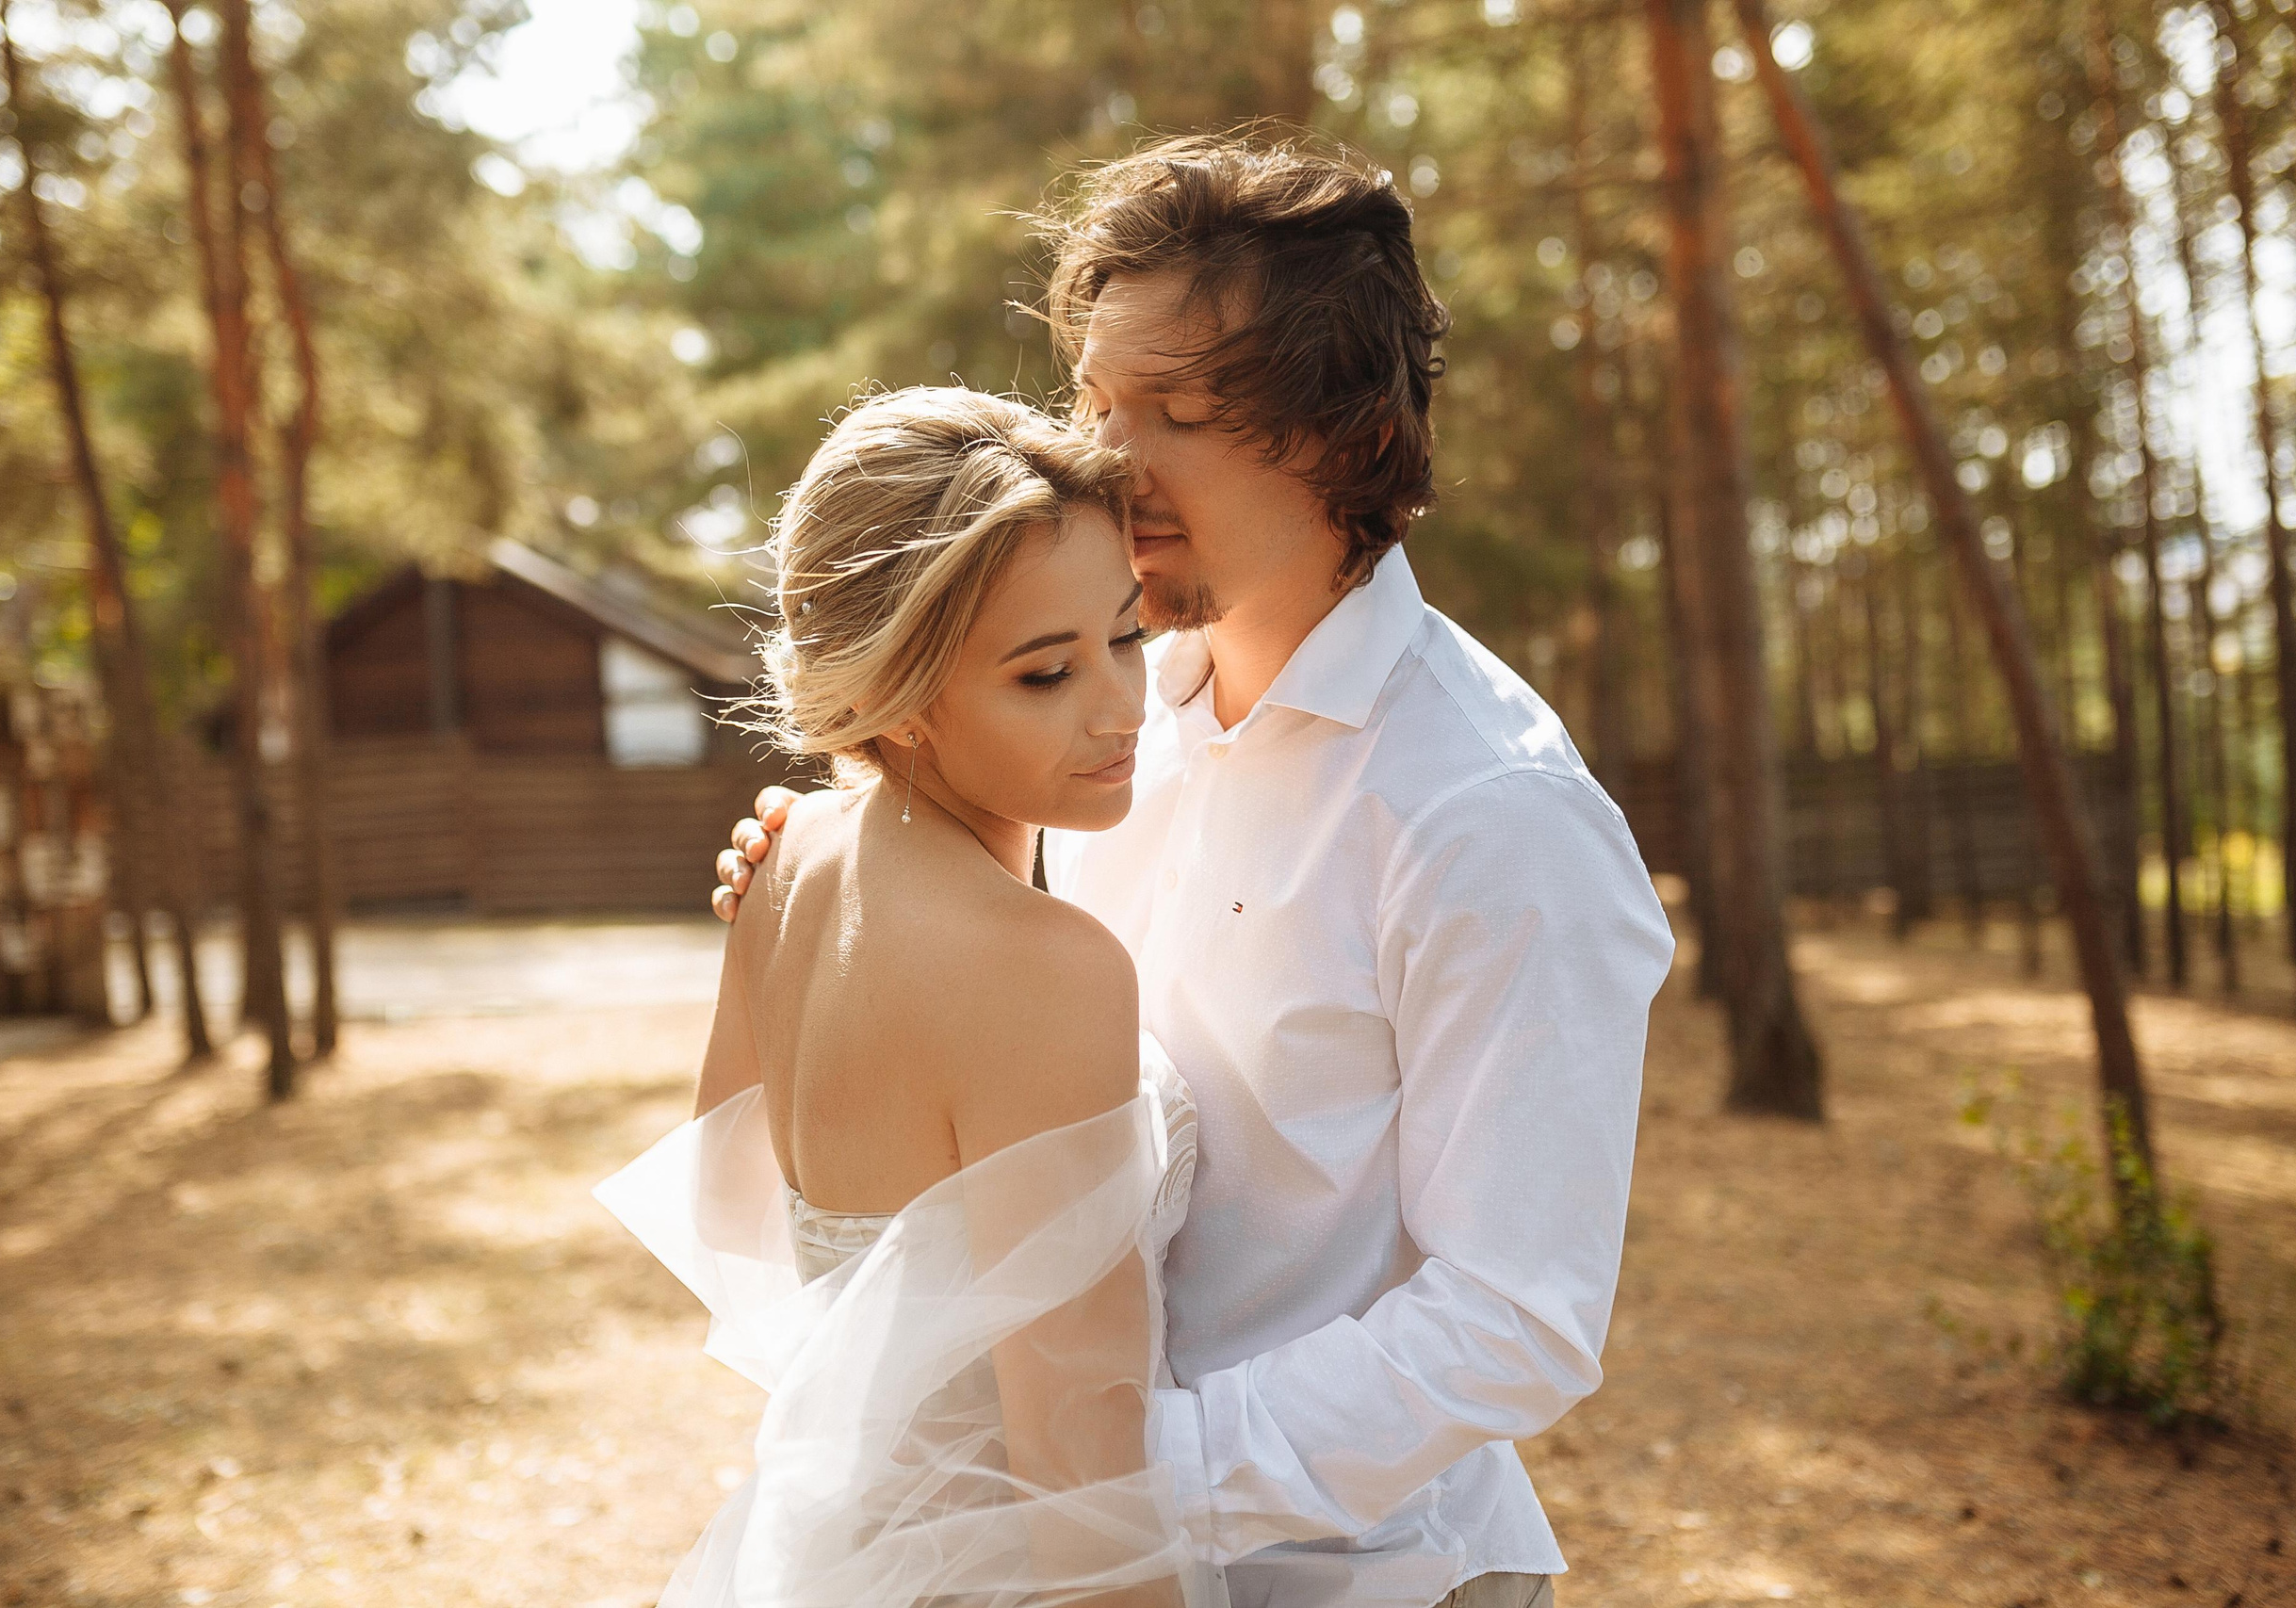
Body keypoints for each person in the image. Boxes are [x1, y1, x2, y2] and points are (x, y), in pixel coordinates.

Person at [718, 133, 1676, 1608]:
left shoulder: (1491, 814)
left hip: (1363, 1578)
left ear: (1344, 432)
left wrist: (1120, 1473)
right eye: (1098, 402)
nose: (1109, 458)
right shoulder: (1100, 716)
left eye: (1172, 410)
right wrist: (825, 886)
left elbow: (1516, 1317)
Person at [596, 386, 1223, 1608]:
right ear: (902, 689)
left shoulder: (783, 859)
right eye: (1046, 674)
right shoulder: (1045, 967)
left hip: (833, 1554)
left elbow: (734, 1220)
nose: (1120, 705)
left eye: (1128, 636)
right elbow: (1078, 1476)